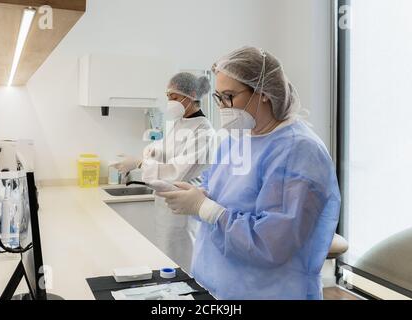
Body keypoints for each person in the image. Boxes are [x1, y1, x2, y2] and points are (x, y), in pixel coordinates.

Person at [157, 47, 341, 300]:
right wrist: (196, 196)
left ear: (263, 93)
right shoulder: (237, 138)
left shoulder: (298, 151)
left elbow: (272, 244)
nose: (223, 107)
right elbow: (217, 192)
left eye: (229, 96)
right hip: (215, 285)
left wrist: (205, 208)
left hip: (269, 291)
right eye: (218, 97)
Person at [112, 72, 215, 272]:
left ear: (191, 95)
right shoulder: (179, 124)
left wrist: (141, 164)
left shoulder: (204, 131)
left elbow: (178, 170)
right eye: (168, 96)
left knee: (182, 261)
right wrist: (153, 150)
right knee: (165, 258)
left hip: (184, 204)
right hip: (165, 203)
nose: (170, 102)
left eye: (174, 97)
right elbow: (166, 150)